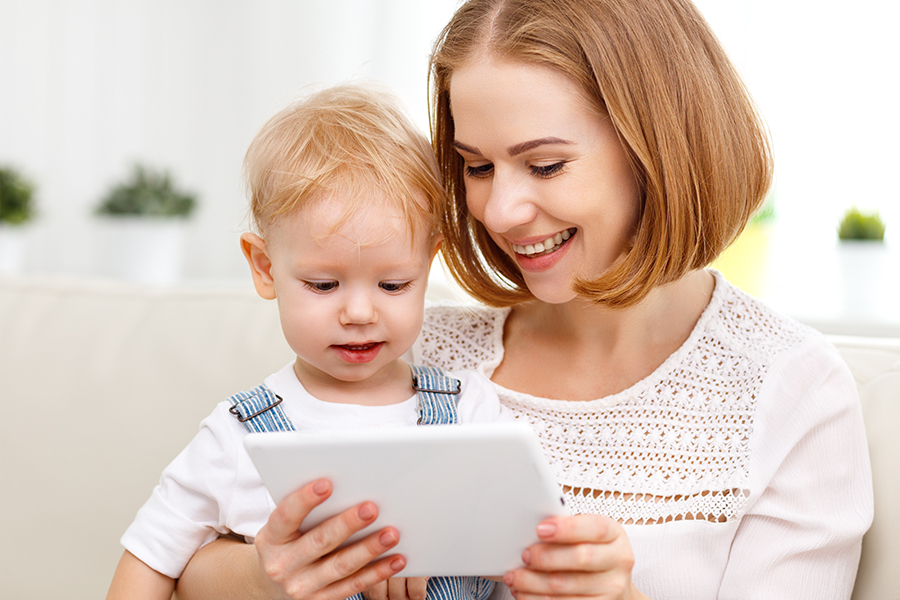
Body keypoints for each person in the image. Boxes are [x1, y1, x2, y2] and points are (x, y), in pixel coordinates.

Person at [173, 1, 874, 599]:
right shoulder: (400, 345)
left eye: (544, 164)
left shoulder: (788, 392)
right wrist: (270, 576)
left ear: (657, 148)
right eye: (477, 166)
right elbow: (189, 564)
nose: (500, 210)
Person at [105, 83, 509, 600]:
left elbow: (526, 547)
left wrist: (453, 542)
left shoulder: (470, 411)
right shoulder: (235, 436)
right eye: (323, 285)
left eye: (393, 285)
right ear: (265, 268)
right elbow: (149, 558)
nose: (360, 313)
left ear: (428, 267)